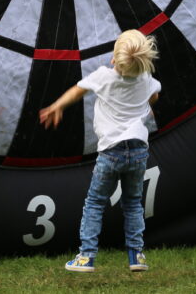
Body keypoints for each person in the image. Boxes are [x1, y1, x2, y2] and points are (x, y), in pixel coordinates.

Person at [39, 29, 161, 273]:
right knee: (133, 203)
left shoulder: (104, 76)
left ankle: (86, 257)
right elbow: (154, 97)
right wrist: (144, 106)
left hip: (111, 152)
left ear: (114, 59)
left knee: (95, 203)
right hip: (138, 150)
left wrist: (57, 105)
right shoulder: (145, 79)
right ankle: (136, 256)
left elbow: (78, 90)